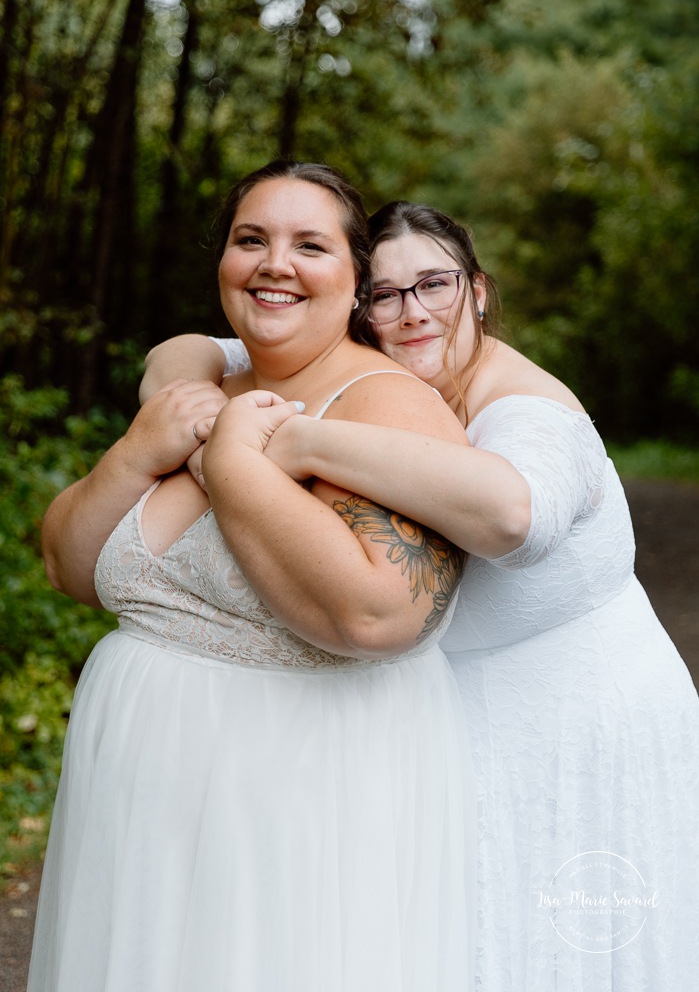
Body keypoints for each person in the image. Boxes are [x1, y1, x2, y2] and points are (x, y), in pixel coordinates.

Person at [145, 198, 699, 991]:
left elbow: (514, 517)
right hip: (450, 728)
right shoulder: (383, 379)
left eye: (432, 285)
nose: (410, 314)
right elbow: (192, 347)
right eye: (384, 294)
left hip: (585, 727)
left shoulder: (528, 408)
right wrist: (182, 386)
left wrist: (295, 439)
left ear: (476, 290)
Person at [29, 166, 479, 992]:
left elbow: (381, 617)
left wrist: (229, 460)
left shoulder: (385, 406)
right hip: (135, 797)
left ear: (354, 284)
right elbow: (67, 565)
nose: (276, 263)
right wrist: (140, 450)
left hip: (292, 803)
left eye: (310, 245)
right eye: (251, 240)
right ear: (223, 262)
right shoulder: (198, 388)